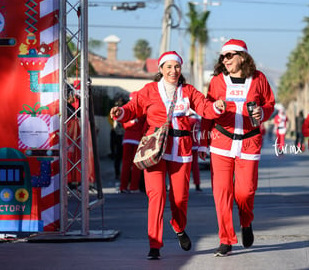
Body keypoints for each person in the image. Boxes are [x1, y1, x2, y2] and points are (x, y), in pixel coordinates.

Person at [110, 51, 226, 260]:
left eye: (177, 67)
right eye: (169, 67)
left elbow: (205, 108)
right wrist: (121, 113)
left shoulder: (189, 91)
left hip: (181, 149)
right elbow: (133, 108)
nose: (173, 71)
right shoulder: (149, 90)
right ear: (161, 69)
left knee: (180, 198)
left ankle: (178, 227)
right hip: (155, 149)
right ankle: (155, 244)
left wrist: (216, 107)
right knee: (157, 196)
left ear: (181, 69)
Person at [199, 39, 275, 256]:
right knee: (221, 194)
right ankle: (226, 240)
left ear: (243, 57)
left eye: (230, 55)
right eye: (223, 56)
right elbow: (207, 110)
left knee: (245, 192)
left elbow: (270, 103)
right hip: (221, 143)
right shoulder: (216, 81)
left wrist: (263, 112)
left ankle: (246, 220)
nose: (226, 60)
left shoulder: (258, 79)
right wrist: (203, 142)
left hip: (249, 143)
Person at [119, 91, 146, 193]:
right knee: (136, 165)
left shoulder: (126, 109)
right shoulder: (142, 110)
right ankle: (134, 187)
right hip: (137, 139)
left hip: (127, 138)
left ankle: (123, 187)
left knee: (125, 163)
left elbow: (123, 123)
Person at [188, 110, 202, 191]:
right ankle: (197, 184)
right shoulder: (198, 120)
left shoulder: (189, 120)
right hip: (195, 145)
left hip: (187, 146)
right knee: (195, 166)